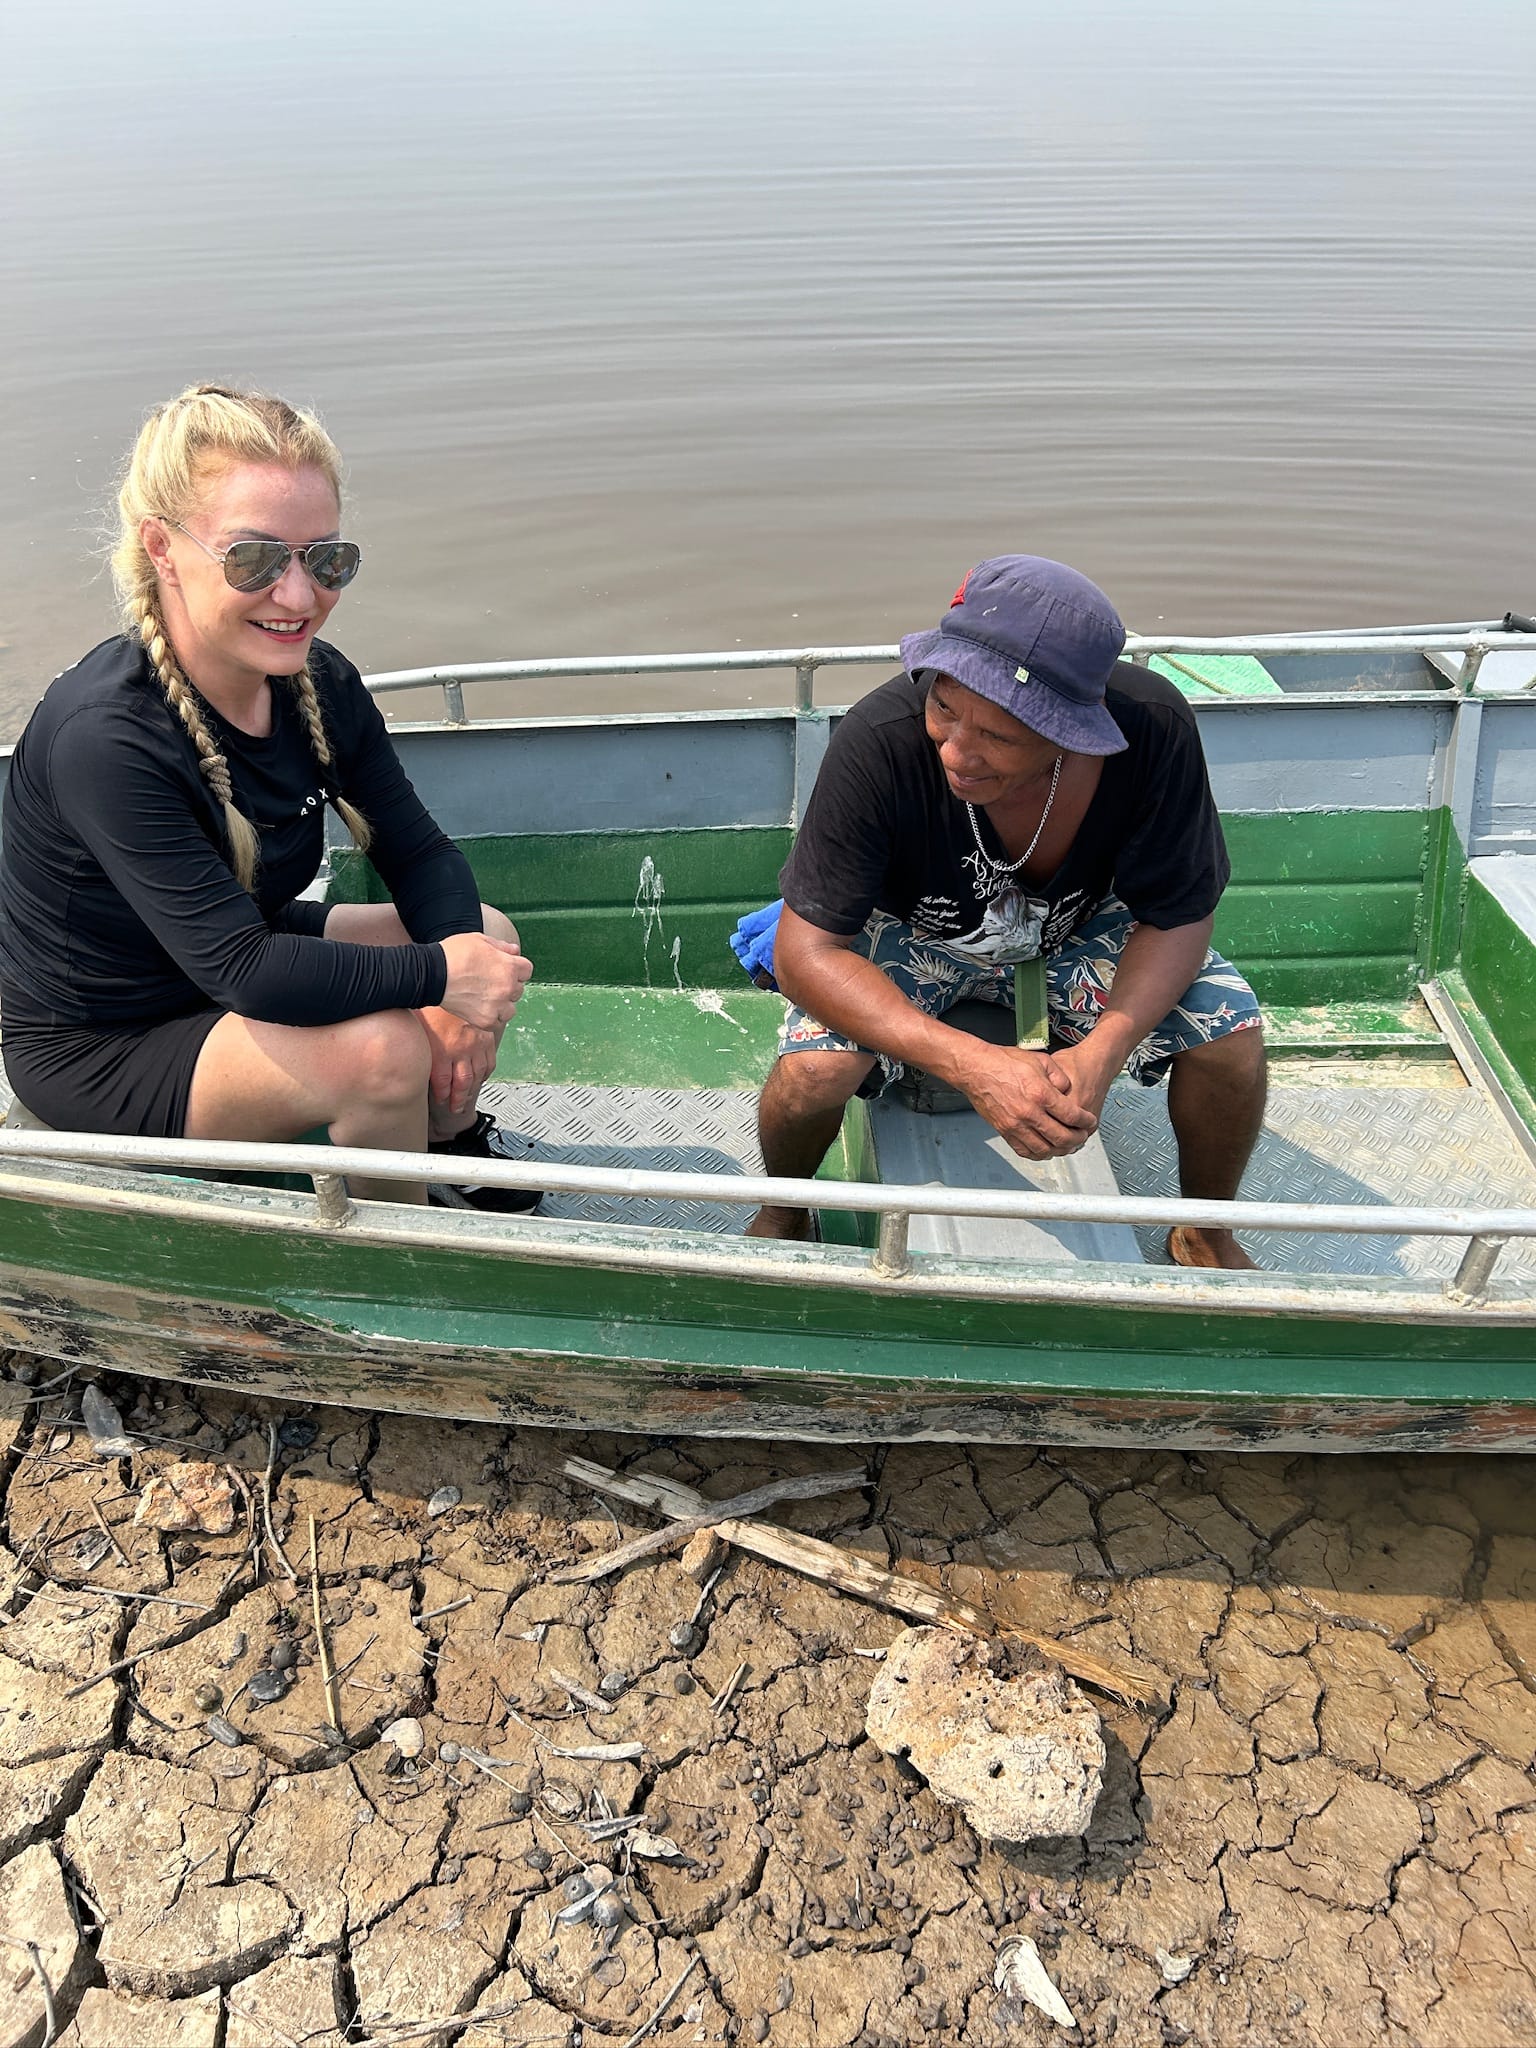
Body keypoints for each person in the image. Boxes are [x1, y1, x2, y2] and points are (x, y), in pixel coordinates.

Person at [0, 383, 535, 1209]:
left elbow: (417, 851)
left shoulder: (320, 682)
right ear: (163, 548)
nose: (298, 596)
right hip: (103, 1041)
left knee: (485, 934)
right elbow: (246, 972)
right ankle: (406, 1263)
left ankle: (438, 1139)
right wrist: (439, 982)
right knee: (384, 1048)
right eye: (253, 558)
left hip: (228, 947)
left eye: (326, 559)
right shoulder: (106, 737)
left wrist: (461, 979)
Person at [743, 554, 1267, 1268]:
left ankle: (1205, 1230)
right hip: (910, 927)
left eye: (999, 736)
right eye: (944, 709)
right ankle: (783, 1209)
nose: (957, 752)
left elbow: (1177, 914)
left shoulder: (1152, 729)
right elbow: (805, 951)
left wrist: (1101, 1054)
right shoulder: (877, 740)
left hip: (1080, 926)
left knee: (1230, 1038)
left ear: (1073, 732)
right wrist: (972, 1065)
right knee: (812, 1073)